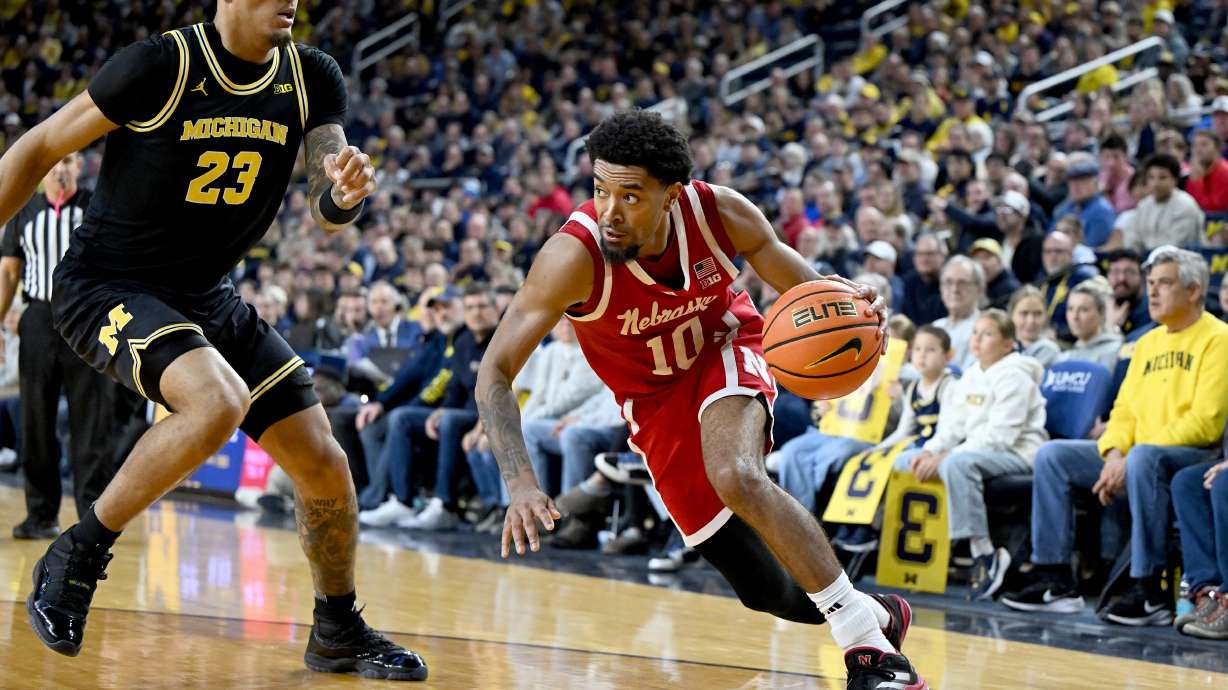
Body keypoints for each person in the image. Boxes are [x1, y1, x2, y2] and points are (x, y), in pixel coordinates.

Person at [0, 4, 426, 678]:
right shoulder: (159, 65)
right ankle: (77, 552)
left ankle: (338, 627)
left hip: (208, 297)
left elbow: (325, 201)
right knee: (216, 403)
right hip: (107, 283)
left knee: (324, 462)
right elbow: (38, 145)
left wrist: (343, 193)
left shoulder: (311, 74)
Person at [475, 111, 925, 689]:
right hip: (654, 406)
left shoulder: (720, 214)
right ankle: (878, 616)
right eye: (600, 190)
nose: (610, 211)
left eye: (631, 195)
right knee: (770, 592)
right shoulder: (572, 258)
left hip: (727, 346)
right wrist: (520, 484)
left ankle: (873, 657)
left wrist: (851, 310)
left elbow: (806, 290)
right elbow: (495, 372)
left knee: (736, 474)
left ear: (672, 194)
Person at [1000, 247, 1228, 625]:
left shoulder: (1218, 338)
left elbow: (1205, 422)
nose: (1152, 292)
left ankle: (1148, 587)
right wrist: (1114, 454)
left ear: (1194, 290)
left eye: (1164, 283)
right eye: (1151, 284)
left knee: (1143, 460)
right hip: (1136, 455)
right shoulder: (1148, 342)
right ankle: (1055, 579)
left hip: (1192, 456)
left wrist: (1132, 454)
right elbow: (1123, 411)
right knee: (1053, 456)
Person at [0, 152, 137, 540]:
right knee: (36, 422)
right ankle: (40, 515)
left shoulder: (95, 205)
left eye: (69, 161)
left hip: (90, 319)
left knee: (92, 424)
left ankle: (93, 518)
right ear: (44, 170)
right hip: (39, 320)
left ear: (80, 166)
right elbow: (9, 270)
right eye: (54, 162)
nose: (60, 168)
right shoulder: (25, 211)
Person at [892, 310, 1048, 600]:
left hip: (1020, 453)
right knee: (907, 461)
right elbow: (952, 426)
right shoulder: (972, 373)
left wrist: (947, 455)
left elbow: (1000, 437)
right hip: (980, 451)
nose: (976, 340)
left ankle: (983, 552)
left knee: (956, 464)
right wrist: (930, 450)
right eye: (975, 333)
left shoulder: (1016, 376)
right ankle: (922, 555)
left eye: (987, 334)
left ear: (1007, 344)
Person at [1056, 280, 1123, 370]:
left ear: (1101, 312)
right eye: (1070, 309)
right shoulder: (1064, 357)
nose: (1075, 316)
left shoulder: (1116, 351)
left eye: (1083, 310)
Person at [1009, 286, 1061, 366]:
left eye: (1038, 314)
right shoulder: (1001, 346)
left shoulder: (1049, 350)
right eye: (1024, 313)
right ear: (1012, 315)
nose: (1031, 321)